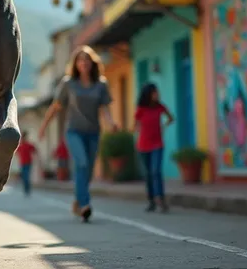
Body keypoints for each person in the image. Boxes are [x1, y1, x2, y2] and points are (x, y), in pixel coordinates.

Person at [39, 45, 118, 223]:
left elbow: (104, 108)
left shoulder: (101, 84)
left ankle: (78, 200)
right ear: (76, 64)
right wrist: (44, 126)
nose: (84, 63)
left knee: (88, 170)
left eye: (87, 59)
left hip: (93, 132)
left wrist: (111, 123)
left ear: (92, 62)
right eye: (81, 59)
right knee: (81, 163)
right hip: (73, 131)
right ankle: (85, 205)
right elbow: (56, 107)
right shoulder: (68, 83)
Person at [133, 83, 174, 213]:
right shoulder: (141, 109)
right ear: (148, 94)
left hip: (157, 144)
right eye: (154, 92)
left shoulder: (159, 107)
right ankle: (151, 200)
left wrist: (163, 127)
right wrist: (140, 131)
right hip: (143, 145)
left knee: (156, 171)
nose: (157, 94)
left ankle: (160, 199)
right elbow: (135, 125)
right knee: (148, 174)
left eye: (157, 92)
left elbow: (170, 118)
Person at [15, 132, 37, 196]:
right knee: (24, 177)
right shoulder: (20, 146)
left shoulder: (29, 145)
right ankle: (25, 189)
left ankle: (27, 189)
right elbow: (16, 152)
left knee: (27, 176)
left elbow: (35, 150)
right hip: (22, 163)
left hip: (28, 163)